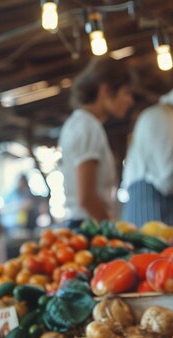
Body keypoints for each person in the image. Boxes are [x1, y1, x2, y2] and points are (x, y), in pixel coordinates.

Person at [58, 58, 134, 226]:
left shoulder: (77, 123)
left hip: (83, 224)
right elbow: (86, 198)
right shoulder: (88, 127)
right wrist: (114, 230)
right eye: (126, 93)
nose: (130, 101)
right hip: (89, 227)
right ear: (106, 91)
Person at [121, 85, 173, 229]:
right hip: (152, 202)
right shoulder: (164, 117)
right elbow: (167, 175)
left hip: (149, 199)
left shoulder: (166, 117)